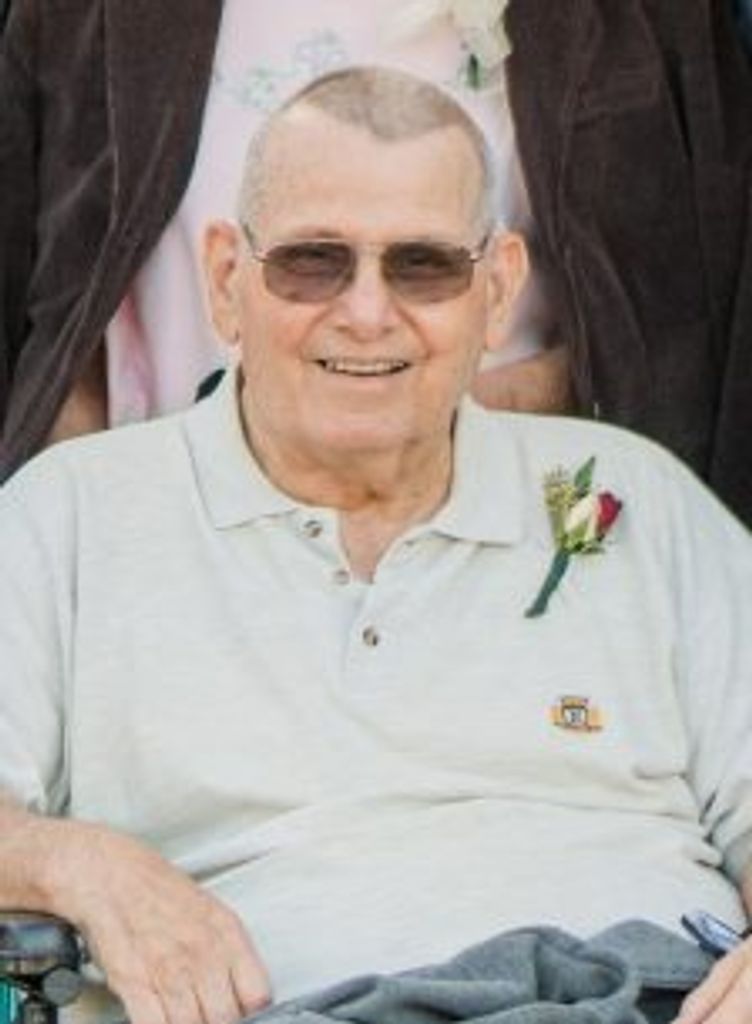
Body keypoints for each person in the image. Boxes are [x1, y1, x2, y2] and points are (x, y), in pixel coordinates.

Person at [1, 67, 752, 1024]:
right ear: (227, 280)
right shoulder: (69, 516)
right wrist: (81, 864)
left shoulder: (632, 496)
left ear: (497, 291)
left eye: (423, 266)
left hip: (652, 992)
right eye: (313, 262)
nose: (365, 313)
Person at [0, 0, 563, 482]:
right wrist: (79, 483)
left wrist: (405, 433)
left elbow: (612, 314)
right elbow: (40, 269)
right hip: (164, 506)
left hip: (493, 502)